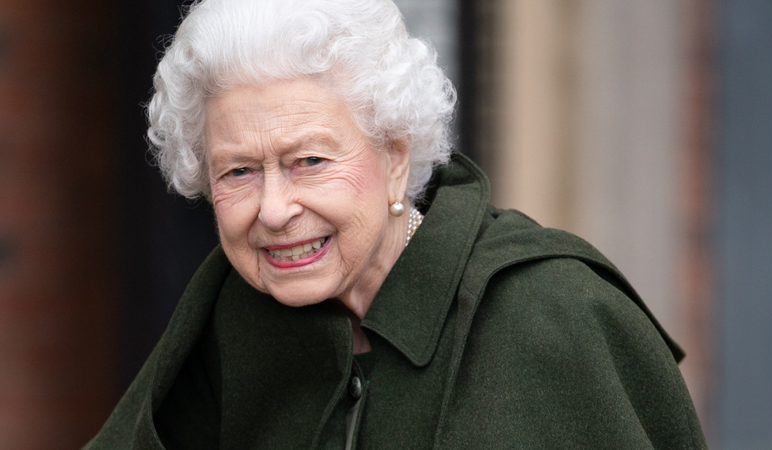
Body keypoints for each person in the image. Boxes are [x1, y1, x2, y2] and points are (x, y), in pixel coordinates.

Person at [84, 0, 707, 448]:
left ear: (395, 157)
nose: (273, 210)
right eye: (239, 172)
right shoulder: (233, 314)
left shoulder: (553, 314)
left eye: (310, 162)